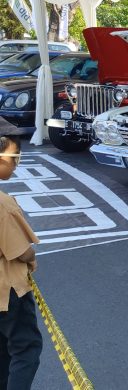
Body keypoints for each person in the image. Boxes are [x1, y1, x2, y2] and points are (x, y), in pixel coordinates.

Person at [0, 117, 42, 389]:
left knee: (2, 351)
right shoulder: (2, 204)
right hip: (8, 290)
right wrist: (31, 256)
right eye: (13, 157)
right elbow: (22, 252)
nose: (16, 164)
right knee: (26, 349)